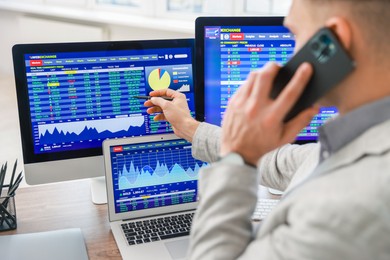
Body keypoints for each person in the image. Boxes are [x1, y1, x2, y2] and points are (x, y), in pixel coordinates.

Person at [145, 0, 390, 258]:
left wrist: (235, 160)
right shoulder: (366, 139)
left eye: (295, 34)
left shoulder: (350, 208)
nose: (292, 53)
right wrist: (190, 128)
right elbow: (284, 164)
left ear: (336, 40)